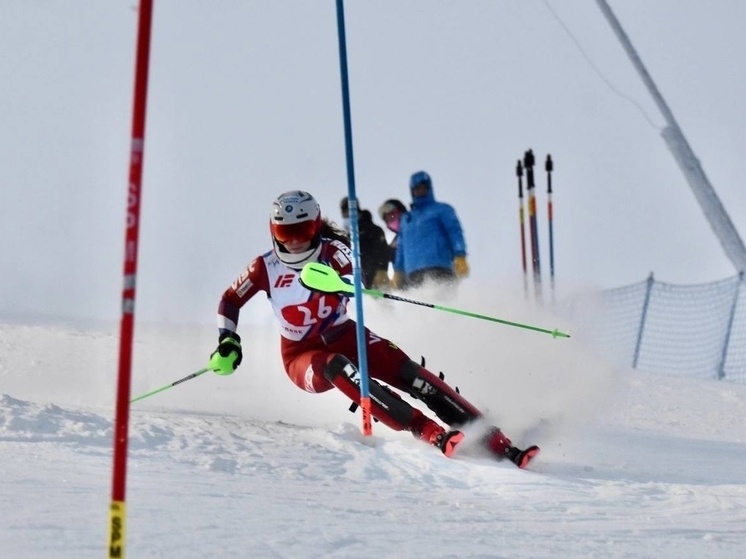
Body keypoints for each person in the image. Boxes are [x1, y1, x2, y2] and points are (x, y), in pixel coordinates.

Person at [208, 190, 539, 468]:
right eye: (285, 234)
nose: (294, 243)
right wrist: (228, 340)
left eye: (302, 232)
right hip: (300, 354)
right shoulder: (264, 266)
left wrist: (341, 284)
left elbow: (356, 278)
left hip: (345, 333)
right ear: (273, 231)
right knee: (339, 367)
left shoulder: (333, 252)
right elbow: (229, 300)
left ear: (316, 226)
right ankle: (427, 430)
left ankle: (493, 439)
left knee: (411, 373)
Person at [392, 171, 470, 289]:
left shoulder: (442, 210)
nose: (420, 191)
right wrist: (398, 270)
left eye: (423, 188)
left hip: (439, 266)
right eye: (416, 188)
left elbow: (455, 232)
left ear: (429, 188)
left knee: (441, 300)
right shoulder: (407, 218)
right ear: (412, 191)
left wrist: (460, 255)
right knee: (420, 304)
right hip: (413, 272)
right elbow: (401, 247)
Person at [339, 196, 390, 290]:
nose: (346, 218)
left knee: (382, 303)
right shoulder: (349, 236)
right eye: (345, 215)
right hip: (360, 282)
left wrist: (382, 270)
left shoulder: (373, 230)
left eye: (348, 214)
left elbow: (383, 252)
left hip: (376, 281)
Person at [377, 198, 408, 270]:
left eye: (392, 214)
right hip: (407, 278)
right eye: (386, 217)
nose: (389, 218)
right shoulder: (394, 243)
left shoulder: (415, 229)